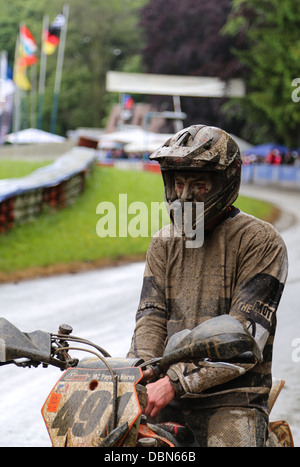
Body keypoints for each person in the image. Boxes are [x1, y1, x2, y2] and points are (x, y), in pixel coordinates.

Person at [127, 125, 288, 447]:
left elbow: (245, 336)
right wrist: (139, 371)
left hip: (232, 400)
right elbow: (151, 317)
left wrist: (175, 381)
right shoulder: (164, 243)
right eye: (179, 183)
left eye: (199, 185)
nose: (184, 195)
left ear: (225, 181)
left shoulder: (260, 240)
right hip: (165, 392)